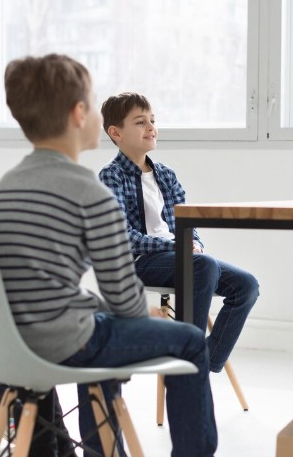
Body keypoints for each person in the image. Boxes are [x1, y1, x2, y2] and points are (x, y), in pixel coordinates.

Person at [0, 53, 217, 457]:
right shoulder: (91, 192)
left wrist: (111, 308)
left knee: (101, 327)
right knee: (190, 341)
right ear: (79, 114)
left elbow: (35, 286)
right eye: (92, 103)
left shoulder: (6, 186)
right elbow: (124, 298)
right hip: (63, 340)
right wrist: (142, 311)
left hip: (5, 342)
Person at [98, 92, 259, 374]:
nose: (151, 127)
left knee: (246, 285)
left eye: (152, 120)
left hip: (179, 256)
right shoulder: (111, 176)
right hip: (139, 262)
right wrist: (175, 247)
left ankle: (201, 361)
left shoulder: (166, 175)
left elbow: (187, 222)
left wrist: (193, 242)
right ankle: (188, 358)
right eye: (140, 122)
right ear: (116, 133)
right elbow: (122, 237)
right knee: (203, 266)